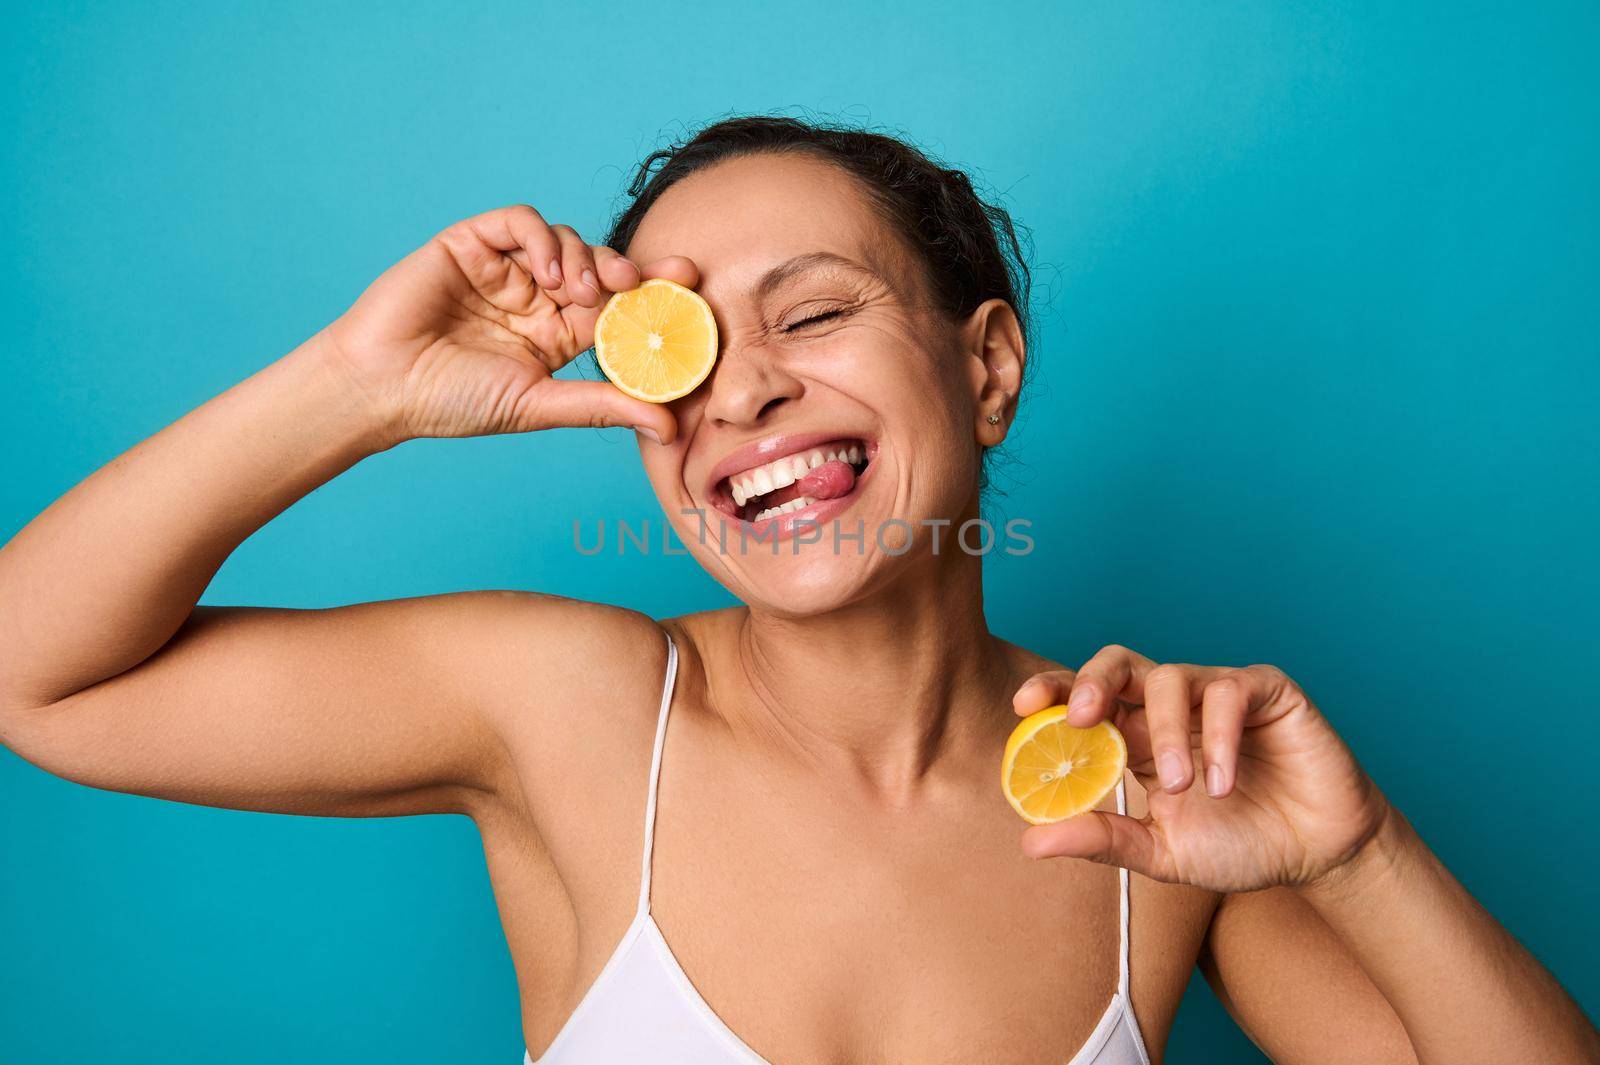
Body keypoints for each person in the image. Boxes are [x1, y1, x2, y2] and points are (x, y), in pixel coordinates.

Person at [0, 115, 1594, 1065]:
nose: (742, 392)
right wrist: (364, 387)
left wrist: (1366, 853)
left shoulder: (1156, 812)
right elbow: (38, 675)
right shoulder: (570, 707)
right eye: (675, 347)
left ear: (987, 370)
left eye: (814, 314)